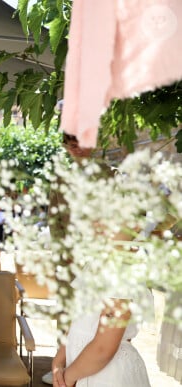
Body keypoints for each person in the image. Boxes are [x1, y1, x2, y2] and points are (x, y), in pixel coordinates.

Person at [48, 133, 150, 387]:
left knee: (99, 330)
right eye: (72, 145)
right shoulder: (60, 180)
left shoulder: (114, 177)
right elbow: (55, 225)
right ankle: (73, 362)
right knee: (76, 319)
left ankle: (79, 368)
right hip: (78, 263)